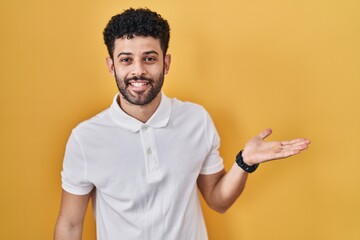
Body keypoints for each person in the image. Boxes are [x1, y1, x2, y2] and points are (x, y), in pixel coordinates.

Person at [54, 8, 310, 240]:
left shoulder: (196, 120)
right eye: (126, 60)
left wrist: (245, 162)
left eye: (150, 58)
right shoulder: (85, 138)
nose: (138, 70)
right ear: (111, 67)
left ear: (166, 63)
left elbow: (218, 201)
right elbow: (70, 225)